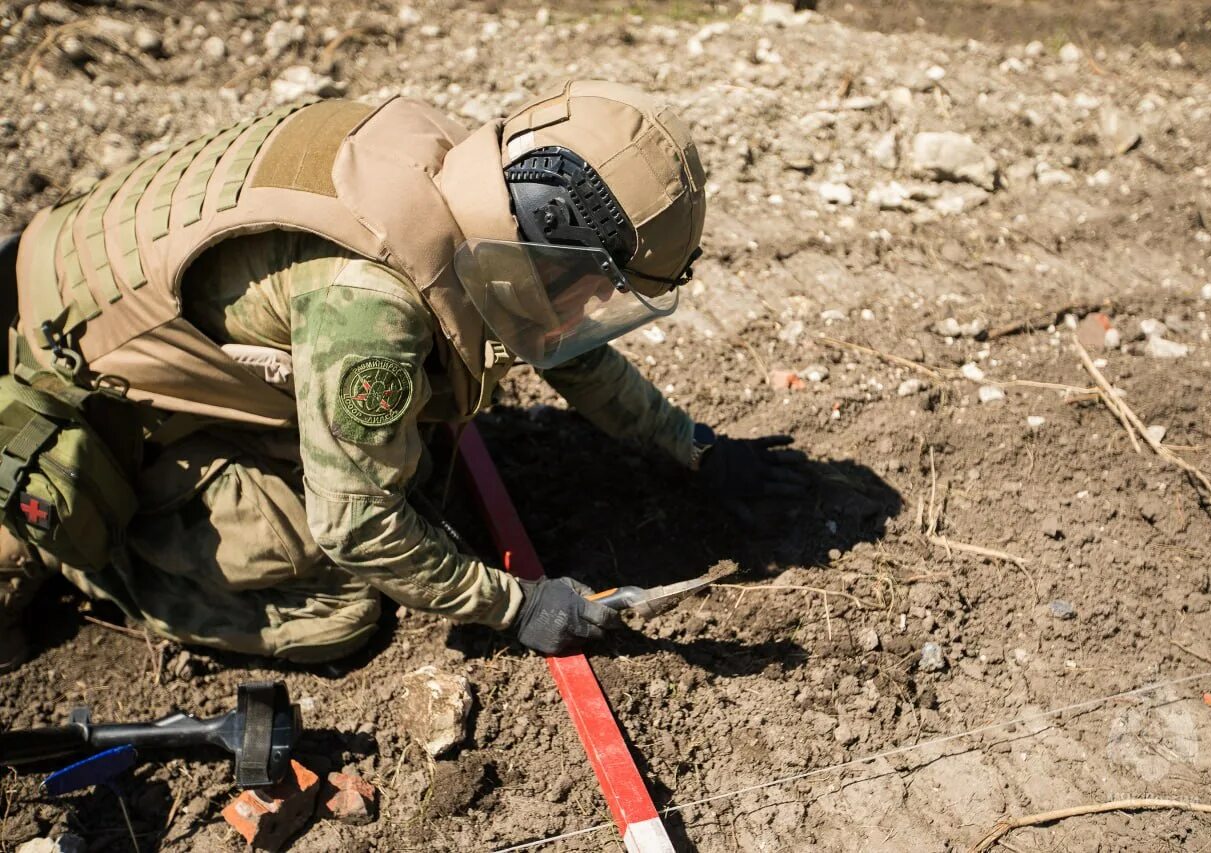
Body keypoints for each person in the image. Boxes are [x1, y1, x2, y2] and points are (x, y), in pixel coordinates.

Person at [0, 80, 803, 672]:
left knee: (410, 461)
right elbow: (355, 527)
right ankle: (85, 554)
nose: (593, 310)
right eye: (597, 287)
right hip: (62, 387)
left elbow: (565, 345)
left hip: (75, 277)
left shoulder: (456, 176)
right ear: (552, 240)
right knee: (340, 608)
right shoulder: (371, 307)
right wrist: (518, 604)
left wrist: (693, 445)